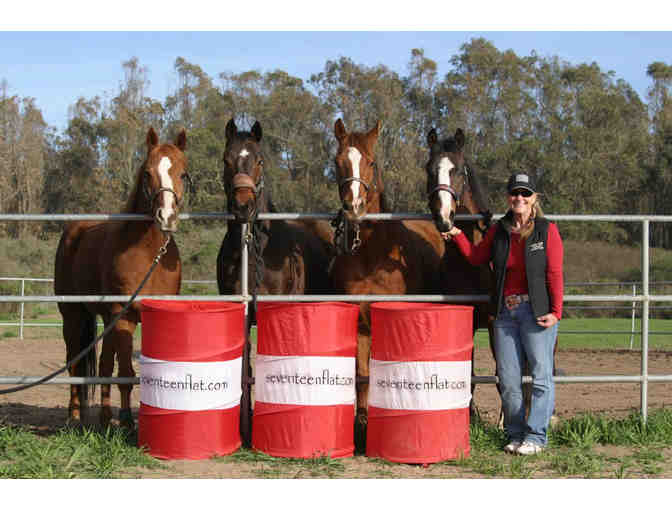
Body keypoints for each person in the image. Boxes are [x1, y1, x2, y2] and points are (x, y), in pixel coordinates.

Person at [442, 172, 563, 455]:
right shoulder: (499, 230)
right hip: (506, 315)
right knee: (508, 379)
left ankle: (536, 437)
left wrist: (556, 311)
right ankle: (515, 433)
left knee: (541, 376)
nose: (518, 198)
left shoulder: (547, 231)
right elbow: (476, 257)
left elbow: (555, 273)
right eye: (514, 193)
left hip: (538, 313)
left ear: (534, 198)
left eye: (524, 193)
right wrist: (458, 235)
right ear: (508, 198)